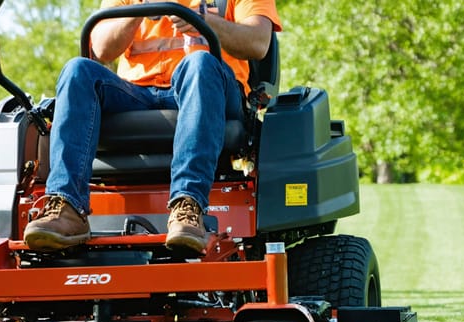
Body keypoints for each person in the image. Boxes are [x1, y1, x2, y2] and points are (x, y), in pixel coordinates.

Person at [23, 0, 281, 253]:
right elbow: (100, 48)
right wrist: (138, 11)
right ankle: (67, 207)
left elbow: (257, 43)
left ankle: (188, 206)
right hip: (135, 93)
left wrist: (204, 22)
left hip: (208, 88)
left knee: (199, 62)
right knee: (77, 69)